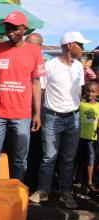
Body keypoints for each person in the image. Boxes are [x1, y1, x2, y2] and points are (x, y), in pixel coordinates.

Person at [0, 11, 45, 184]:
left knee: (20, 160)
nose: (10, 31)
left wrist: (37, 113)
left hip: (22, 115)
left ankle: (17, 195)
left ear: (24, 29)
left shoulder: (34, 52)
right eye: (8, 27)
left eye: (15, 28)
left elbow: (36, 83)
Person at [29, 31, 92, 209]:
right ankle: (43, 191)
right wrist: (37, 114)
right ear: (69, 45)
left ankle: (65, 192)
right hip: (52, 117)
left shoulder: (79, 66)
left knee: (68, 158)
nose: (83, 48)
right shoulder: (49, 66)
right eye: (80, 44)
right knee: (49, 157)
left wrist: (87, 81)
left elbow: (77, 90)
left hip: (73, 117)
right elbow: (39, 90)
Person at [77, 81, 99, 192]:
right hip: (80, 137)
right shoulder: (81, 105)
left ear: (97, 93)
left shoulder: (98, 106)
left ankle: (90, 181)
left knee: (91, 159)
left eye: (93, 91)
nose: (90, 94)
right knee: (80, 160)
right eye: (88, 91)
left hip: (92, 138)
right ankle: (80, 181)